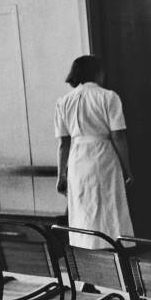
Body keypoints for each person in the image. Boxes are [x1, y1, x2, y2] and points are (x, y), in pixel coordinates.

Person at [55, 55, 134, 249]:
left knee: (83, 213)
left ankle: (87, 262)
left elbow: (63, 143)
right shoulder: (108, 97)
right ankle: (113, 255)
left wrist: (61, 175)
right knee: (109, 210)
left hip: (77, 159)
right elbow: (118, 137)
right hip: (102, 157)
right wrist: (128, 169)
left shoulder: (63, 101)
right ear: (97, 73)